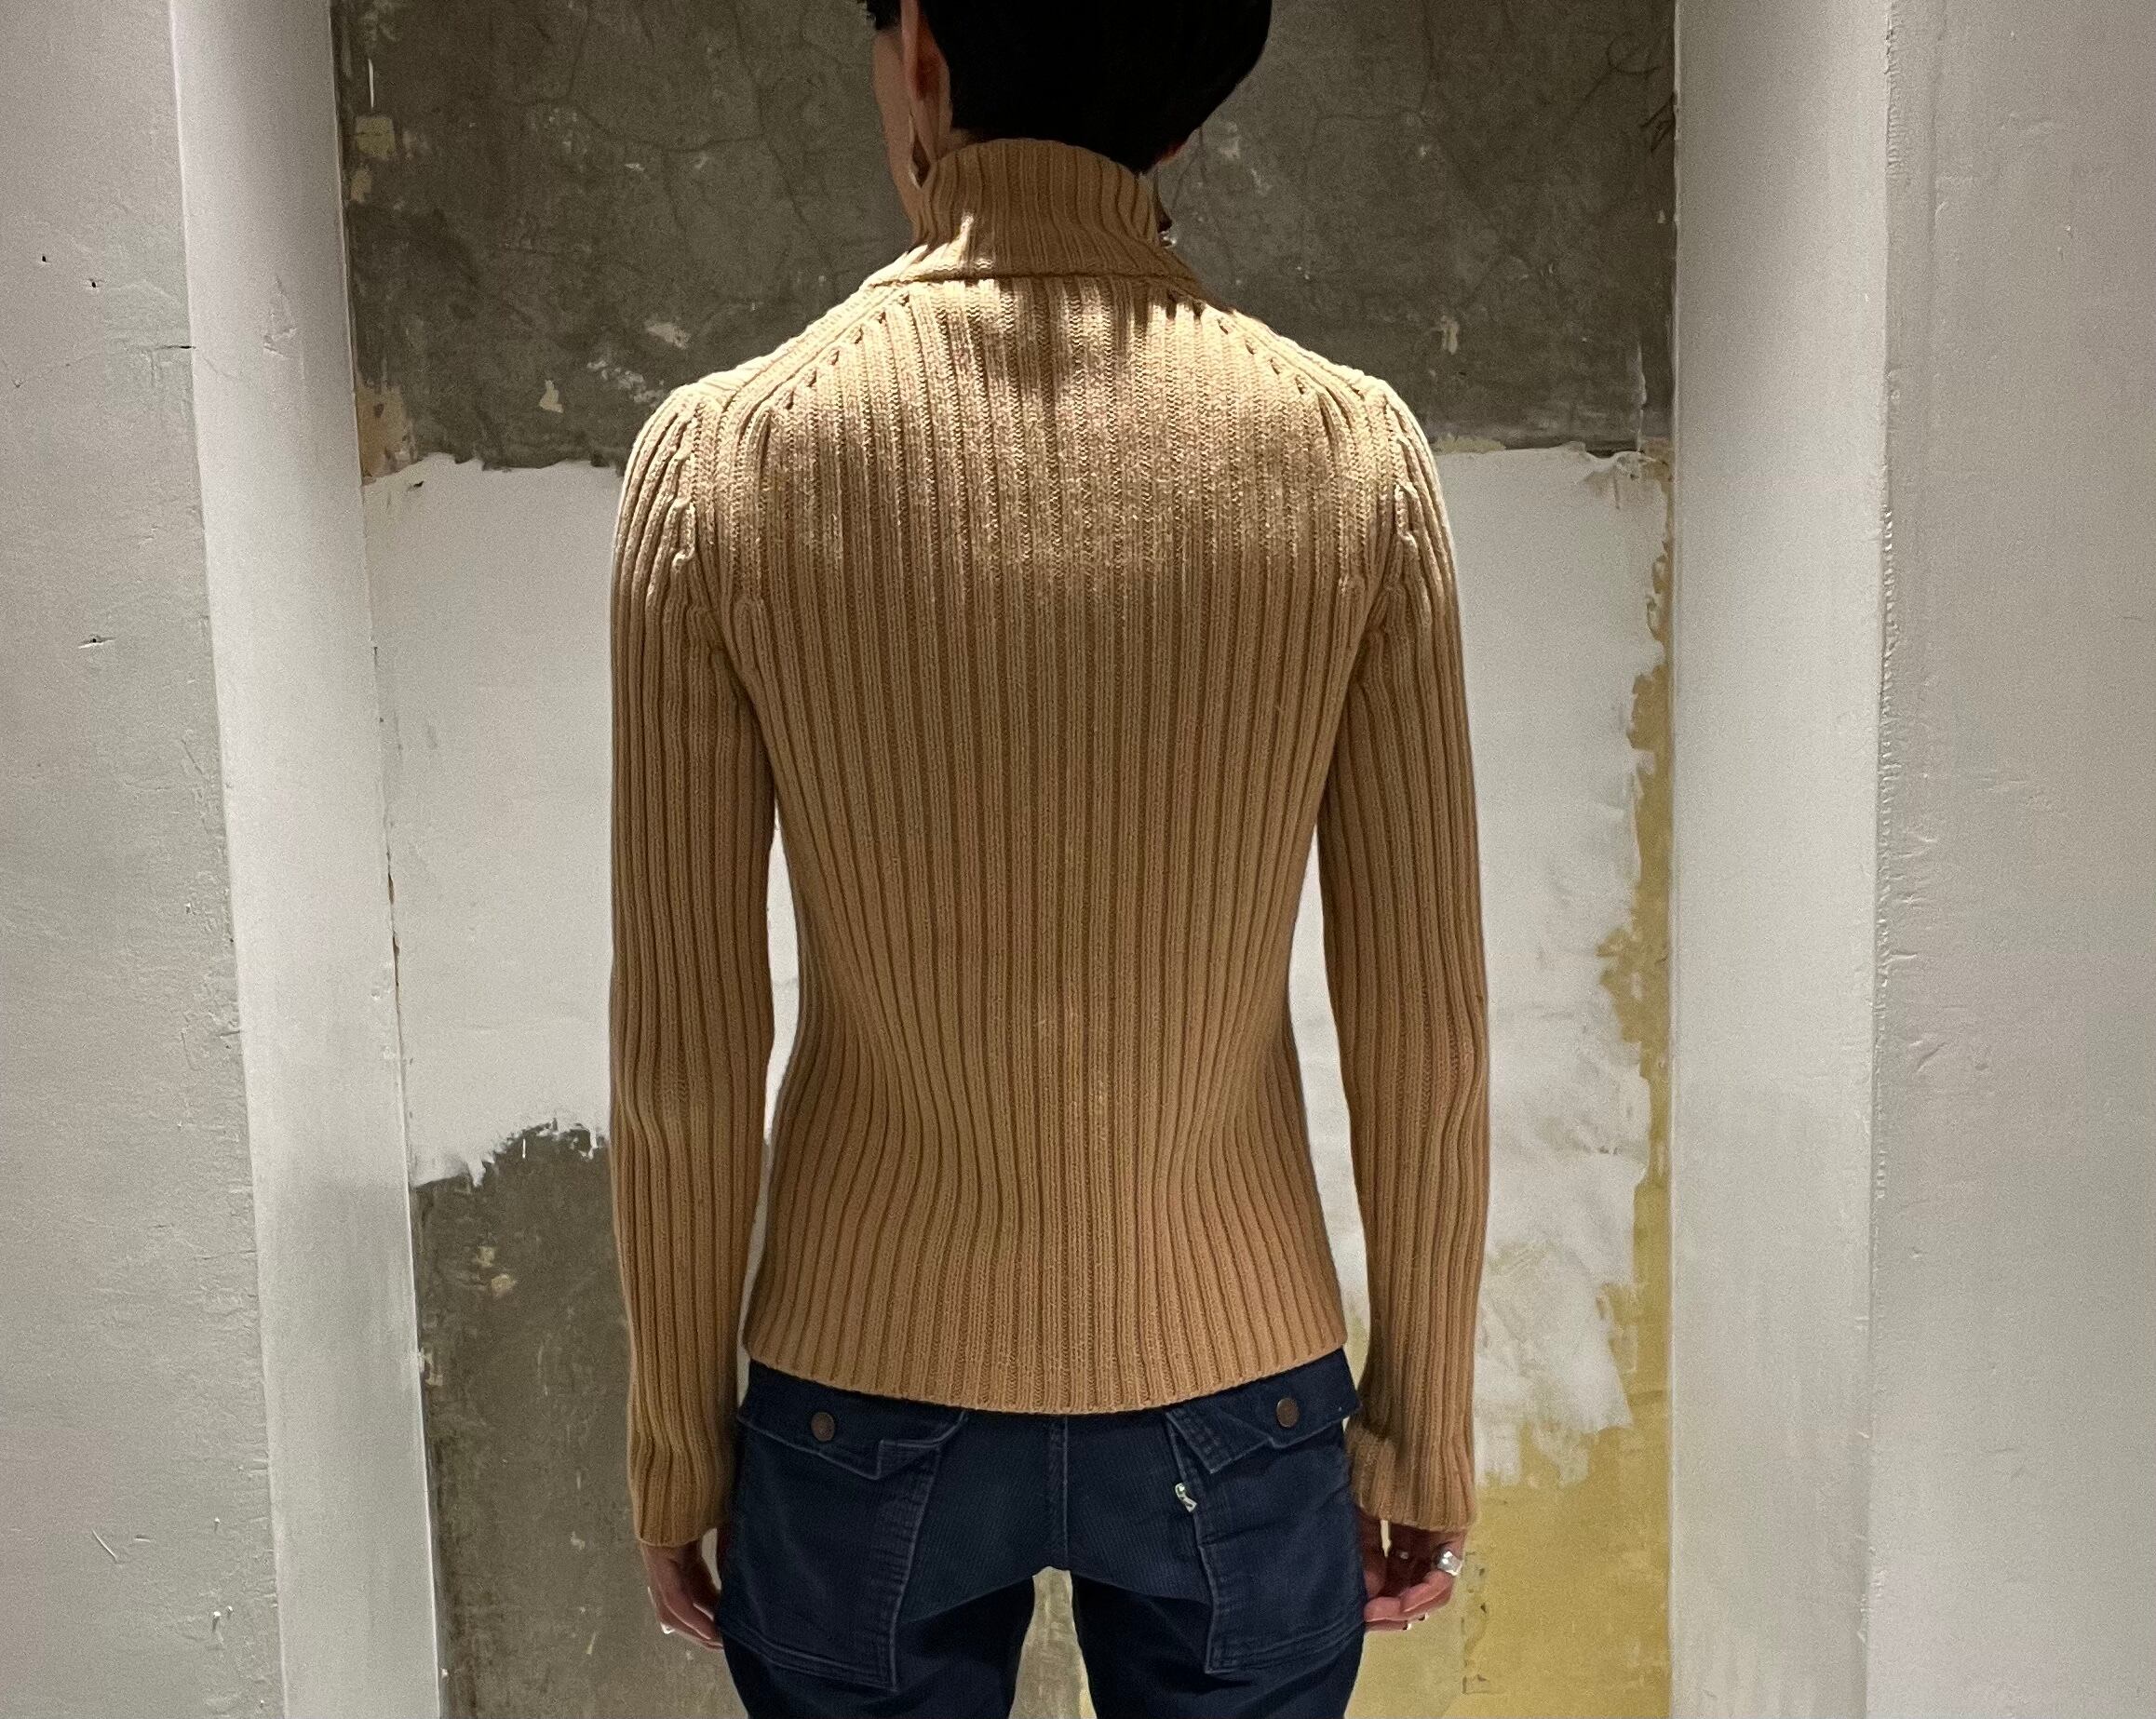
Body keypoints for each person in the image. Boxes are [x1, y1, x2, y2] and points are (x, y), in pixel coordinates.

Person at [605, 1, 1490, 1712]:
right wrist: (1421, 1434)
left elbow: (684, 1055)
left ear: (925, 53)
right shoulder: (1351, 459)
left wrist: (678, 1459)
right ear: (1182, 115)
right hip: (1245, 1391)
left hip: (856, 1395)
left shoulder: (723, 467)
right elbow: (1423, 1026)